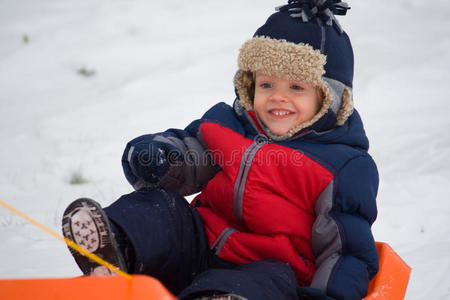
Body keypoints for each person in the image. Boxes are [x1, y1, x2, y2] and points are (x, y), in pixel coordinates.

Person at [62, 1, 379, 299]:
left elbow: (345, 249)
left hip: (271, 274)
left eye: (296, 87)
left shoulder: (341, 166)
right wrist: (160, 159)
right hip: (201, 246)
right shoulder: (230, 124)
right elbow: (191, 154)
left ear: (329, 99)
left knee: (267, 277)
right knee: (165, 207)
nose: (278, 97)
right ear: (250, 85)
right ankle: (116, 248)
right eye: (267, 85)